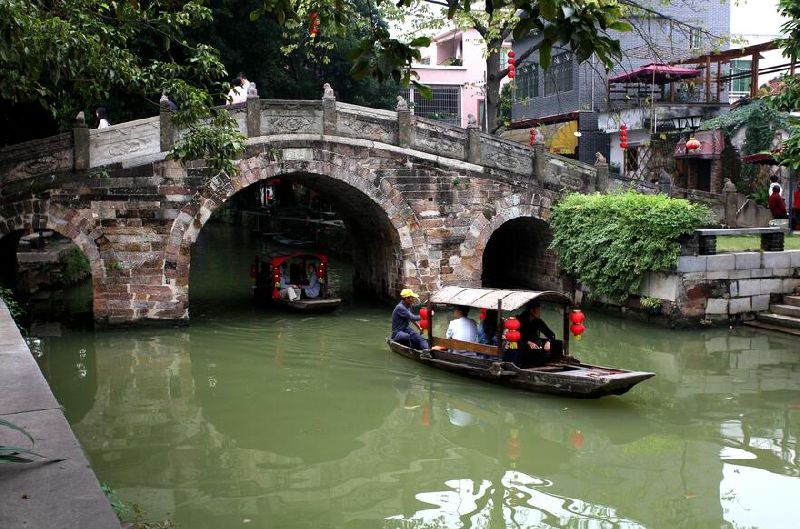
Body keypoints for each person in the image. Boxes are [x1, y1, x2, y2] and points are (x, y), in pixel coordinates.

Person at [517, 301, 556, 367]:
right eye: (538, 310)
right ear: (531, 311)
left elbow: (551, 334)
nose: (539, 312)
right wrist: (528, 342)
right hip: (522, 345)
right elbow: (517, 335)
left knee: (546, 353)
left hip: (535, 347)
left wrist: (548, 341)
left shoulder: (538, 321)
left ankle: (535, 366)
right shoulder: (520, 320)